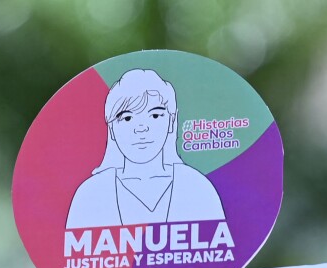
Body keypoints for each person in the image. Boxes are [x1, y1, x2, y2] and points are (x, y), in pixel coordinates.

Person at [64, 68, 225, 229]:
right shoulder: (90, 195)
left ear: (171, 121)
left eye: (155, 116)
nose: (141, 128)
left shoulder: (197, 188)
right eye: (127, 118)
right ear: (111, 128)